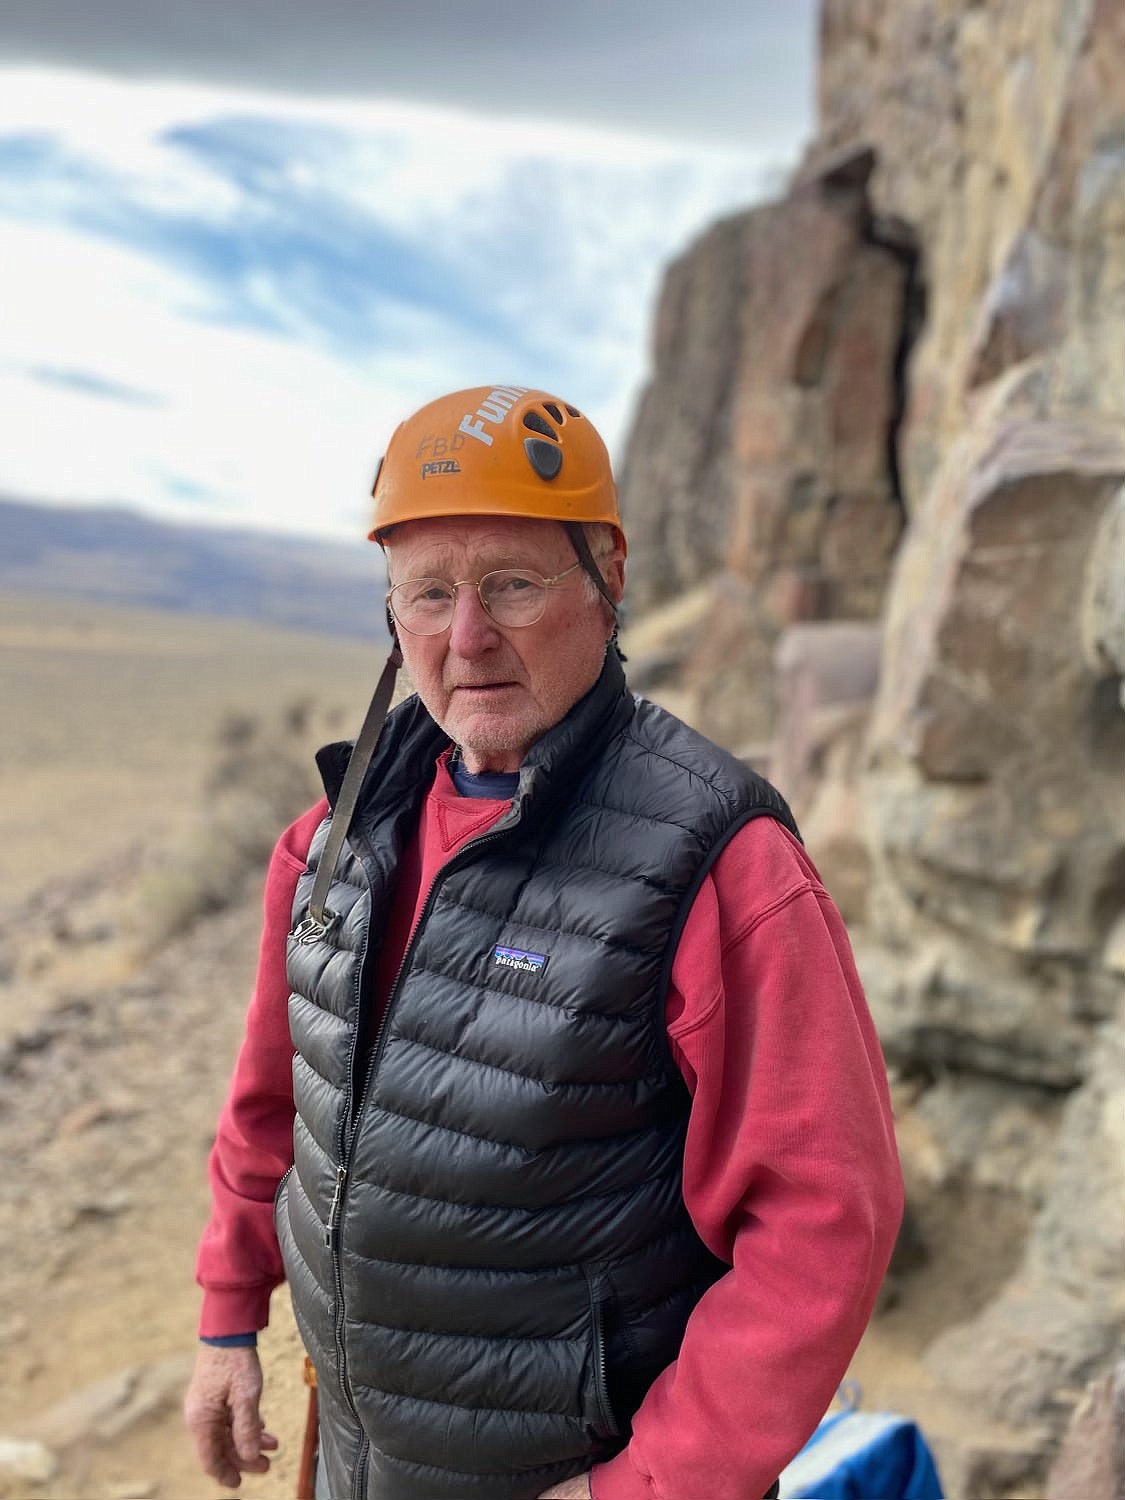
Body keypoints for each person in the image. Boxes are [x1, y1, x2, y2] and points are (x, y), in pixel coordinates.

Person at [184, 385, 904, 1500]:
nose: (466, 638)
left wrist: (656, 1483)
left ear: (607, 577)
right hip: (363, 1462)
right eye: (427, 593)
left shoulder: (719, 864)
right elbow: (275, 1103)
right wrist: (229, 1321)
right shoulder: (334, 840)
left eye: (511, 584)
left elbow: (823, 1219)